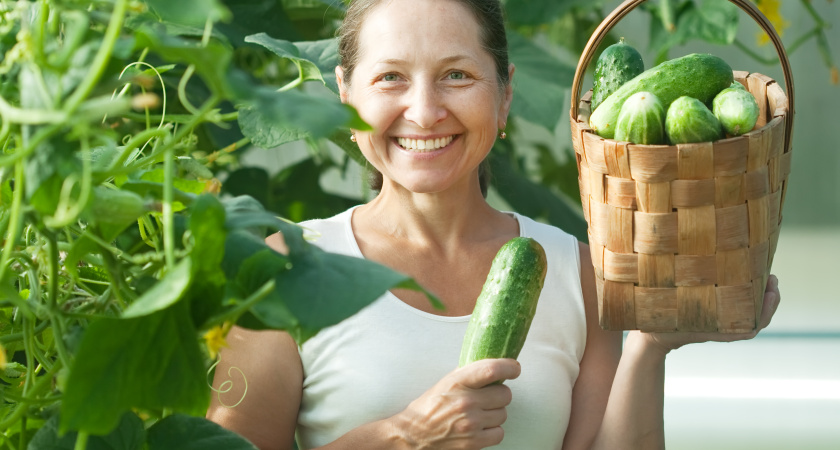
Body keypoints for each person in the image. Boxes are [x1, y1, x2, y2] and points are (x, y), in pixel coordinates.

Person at [206, 0, 782, 448]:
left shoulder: (577, 271)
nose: (425, 111)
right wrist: (403, 436)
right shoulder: (287, 266)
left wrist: (650, 348)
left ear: (504, 97)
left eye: (457, 75)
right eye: (390, 78)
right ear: (345, 95)